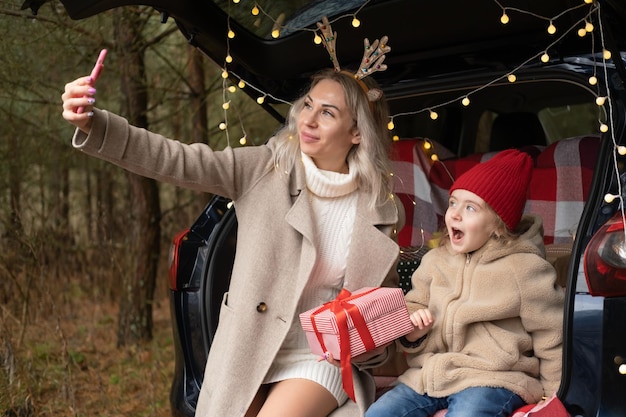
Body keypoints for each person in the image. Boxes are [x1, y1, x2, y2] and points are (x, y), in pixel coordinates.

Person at [61, 40, 404, 417]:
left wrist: (380, 341)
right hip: (249, 346)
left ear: (357, 133)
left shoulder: (382, 212)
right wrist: (95, 124)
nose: (307, 120)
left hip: (318, 357)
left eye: (327, 113)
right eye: (308, 104)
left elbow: (374, 315)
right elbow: (178, 160)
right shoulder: (264, 170)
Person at [365, 149, 564, 417]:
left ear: (498, 224)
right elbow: (413, 306)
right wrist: (413, 331)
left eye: (470, 208)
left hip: (492, 379)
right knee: (379, 413)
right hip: (430, 375)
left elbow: (552, 335)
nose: (455, 214)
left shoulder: (524, 268)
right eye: (453, 203)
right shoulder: (435, 261)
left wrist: (553, 396)